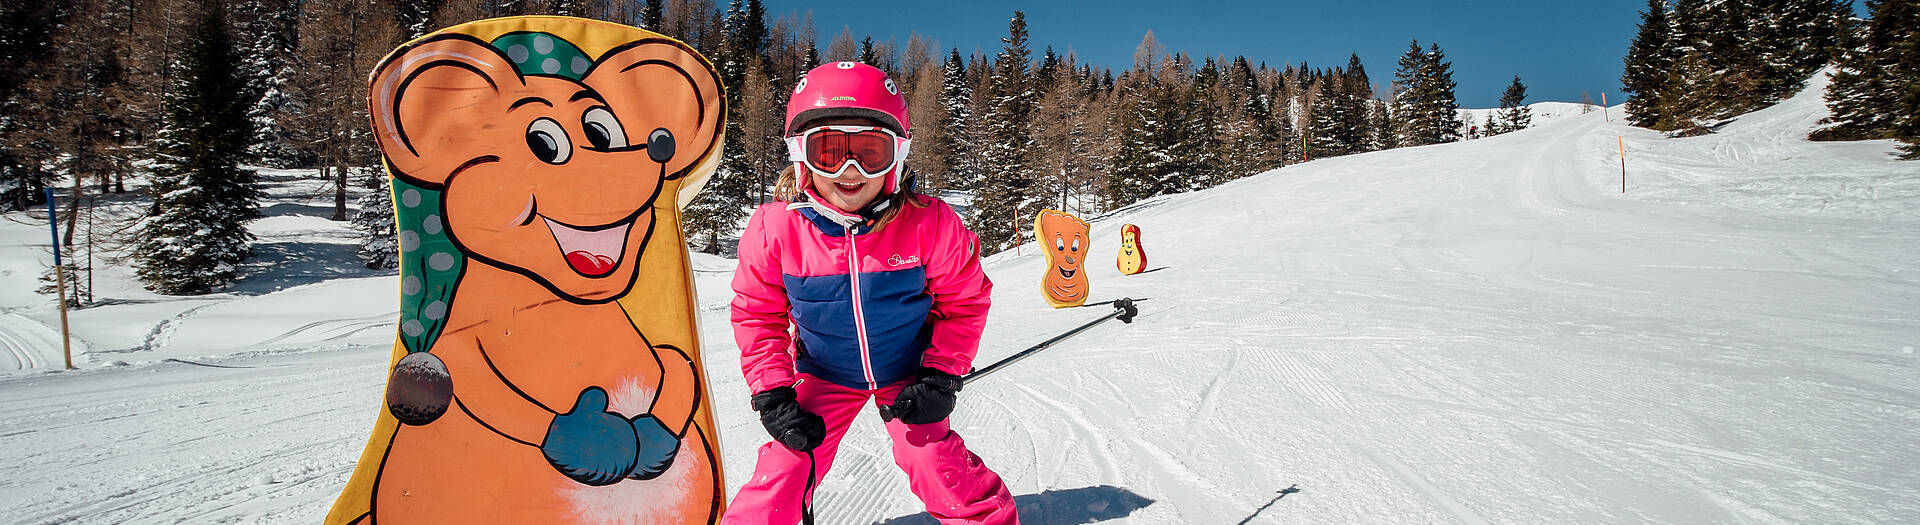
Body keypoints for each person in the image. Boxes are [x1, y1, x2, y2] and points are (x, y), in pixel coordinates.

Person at [722, 61, 1018, 525]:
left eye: (869, 152)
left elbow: (964, 303)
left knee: (929, 457)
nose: (850, 170)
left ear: (897, 157)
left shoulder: (928, 223)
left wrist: (940, 374)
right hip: (824, 374)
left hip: (907, 373)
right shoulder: (775, 229)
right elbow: (756, 315)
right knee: (787, 465)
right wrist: (774, 393)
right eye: (829, 152)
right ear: (800, 156)